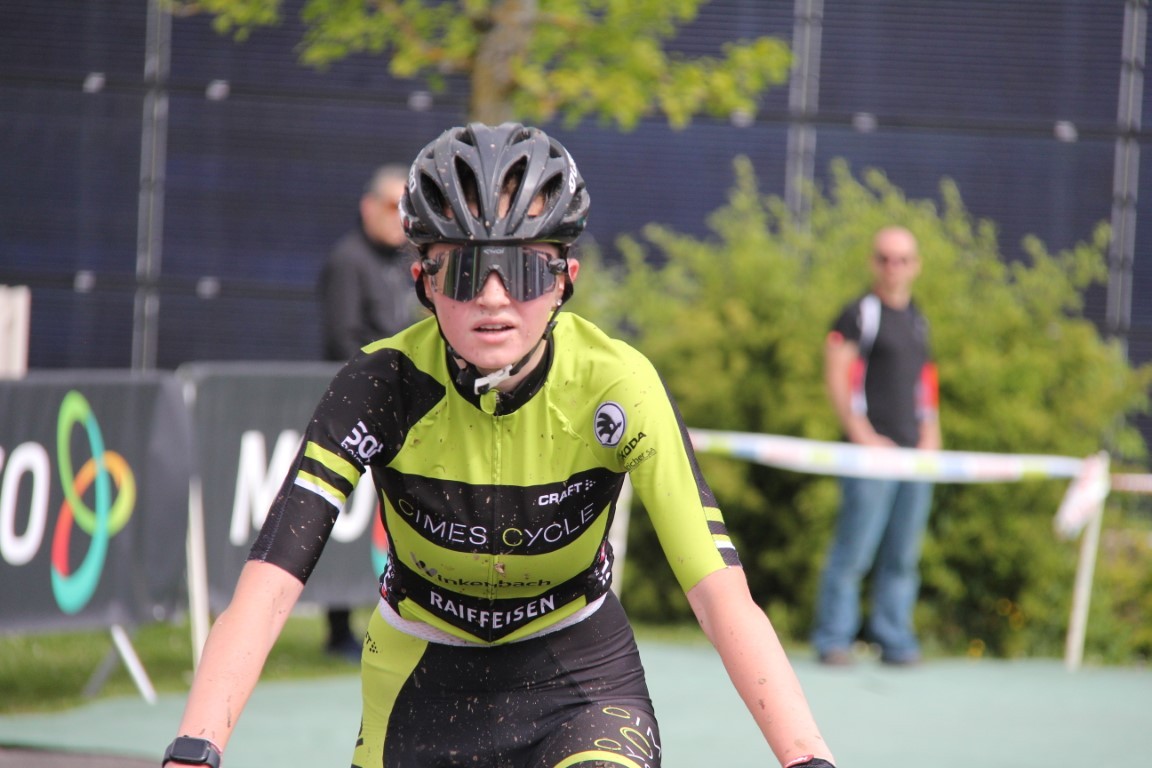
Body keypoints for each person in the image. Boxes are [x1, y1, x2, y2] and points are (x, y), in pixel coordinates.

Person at [162, 122, 836, 768]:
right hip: (418, 683)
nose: (492, 297)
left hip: (579, 678)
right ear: (423, 282)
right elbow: (268, 590)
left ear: (566, 279)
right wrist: (196, 745)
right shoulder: (378, 385)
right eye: (463, 270)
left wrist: (806, 756)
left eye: (524, 269)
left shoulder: (619, 385)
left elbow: (720, 596)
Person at [812, 225, 941, 667]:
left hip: (913, 458)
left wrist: (931, 436)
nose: (893, 267)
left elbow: (925, 382)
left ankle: (895, 639)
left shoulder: (918, 318)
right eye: (885, 258)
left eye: (902, 259)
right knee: (854, 551)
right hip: (868, 457)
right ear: (873, 263)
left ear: (915, 266)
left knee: (903, 556)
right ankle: (834, 639)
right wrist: (862, 434)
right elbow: (837, 373)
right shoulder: (858, 314)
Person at [317, 163, 421, 661]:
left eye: (407, 208)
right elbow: (341, 339)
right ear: (368, 207)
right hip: (357, 408)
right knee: (341, 511)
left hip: (395, 407)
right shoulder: (348, 261)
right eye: (390, 205)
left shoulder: (402, 264)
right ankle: (337, 629)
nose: (399, 217)